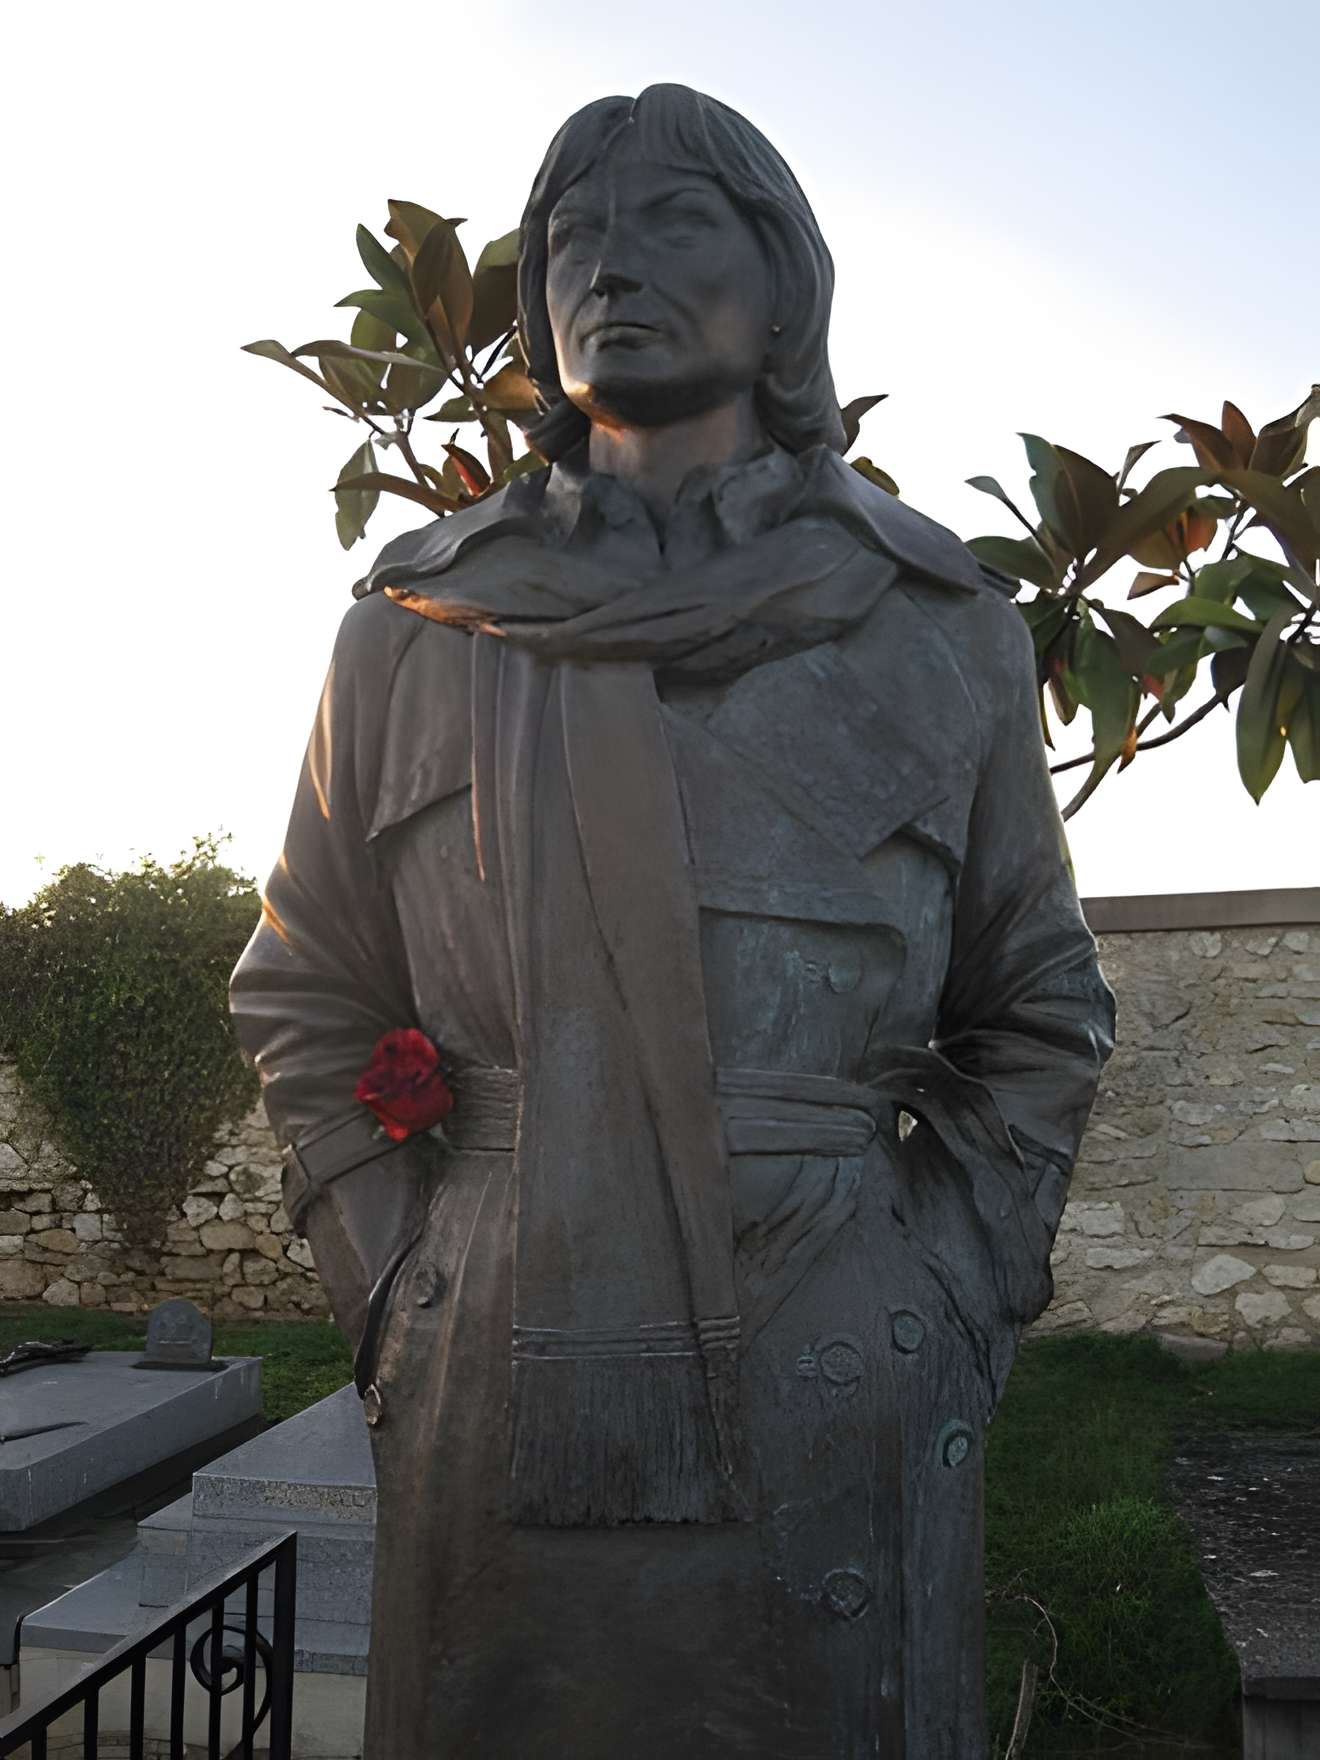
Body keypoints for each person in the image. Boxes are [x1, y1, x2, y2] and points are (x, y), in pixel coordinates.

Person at [231, 83, 1115, 1759]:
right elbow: (303, 993)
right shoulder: (417, 634)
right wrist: (397, 1286)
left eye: (674, 222)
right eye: (571, 235)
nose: (608, 267)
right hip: (493, 1354)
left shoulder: (943, 632)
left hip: (842, 1357)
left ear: (783, 283)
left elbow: (1042, 1006)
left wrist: (953, 1285)